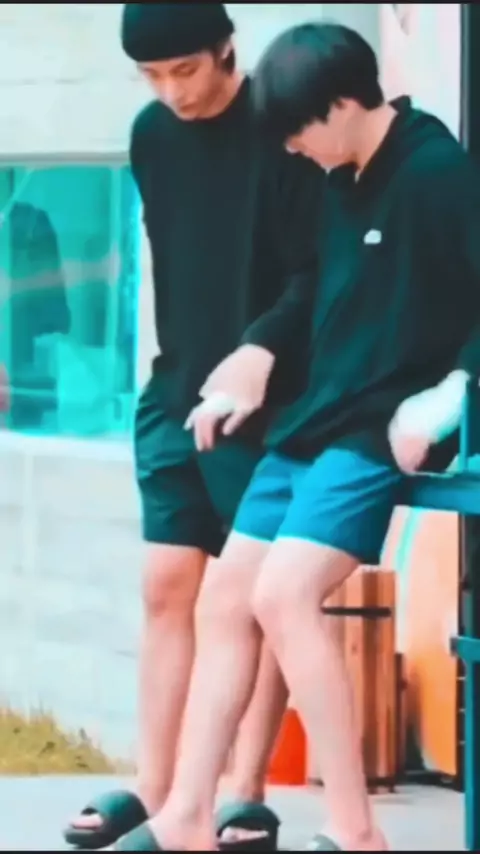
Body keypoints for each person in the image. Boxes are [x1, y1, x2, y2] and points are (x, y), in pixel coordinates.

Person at [109, 22, 480, 853]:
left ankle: (355, 829)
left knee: (282, 596)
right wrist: (251, 361)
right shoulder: (342, 176)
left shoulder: (436, 174)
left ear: (342, 106)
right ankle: (188, 814)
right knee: (224, 597)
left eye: (297, 133)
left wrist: (455, 391)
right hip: (315, 415)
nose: (292, 151)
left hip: (380, 426)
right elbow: (313, 299)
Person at [63, 5, 323, 851]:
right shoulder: (152, 136)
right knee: (166, 584)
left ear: (225, 50)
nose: (171, 92)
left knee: (257, 600)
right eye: (152, 77)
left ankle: (245, 789)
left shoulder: (286, 129)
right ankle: (155, 785)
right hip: (179, 388)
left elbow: (319, 271)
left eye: (185, 71)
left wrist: (259, 351)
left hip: (271, 398)